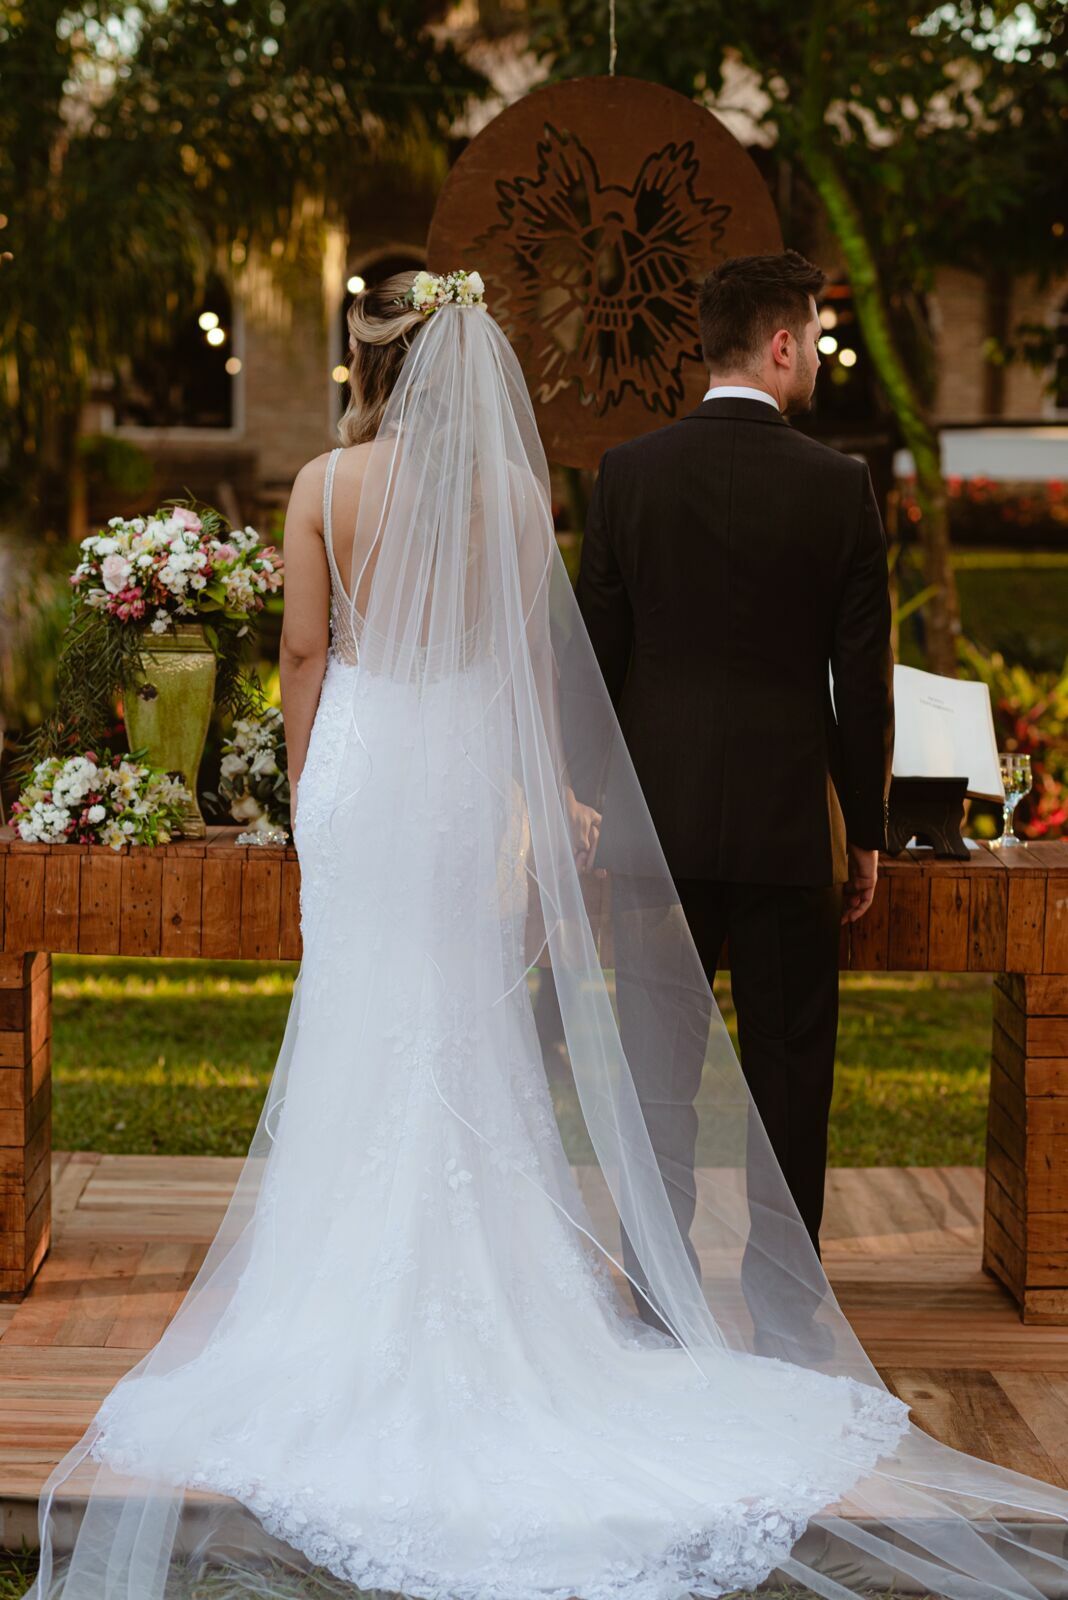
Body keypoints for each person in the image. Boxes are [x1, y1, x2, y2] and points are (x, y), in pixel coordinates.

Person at [26, 269, 1068, 1600]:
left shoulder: (322, 489)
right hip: (467, 772)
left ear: (377, 367)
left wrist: (308, 792)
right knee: (470, 1013)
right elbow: (535, 665)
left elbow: (300, 655)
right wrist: (544, 792)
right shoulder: (523, 499)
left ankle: (342, 1299)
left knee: (361, 1014)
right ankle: (585, 1300)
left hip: (364, 762)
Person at [577, 251, 894, 1345]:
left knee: (658, 1074)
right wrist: (869, 833)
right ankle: (781, 1304)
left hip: (651, 829)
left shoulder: (628, 474)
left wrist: (582, 796)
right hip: (783, 828)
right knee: (790, 1077)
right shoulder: (838, 486)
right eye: (812, 336)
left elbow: (594, 658)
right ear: (780, 344)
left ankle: (659, 1303)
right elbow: (863, 678)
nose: (814, 355)